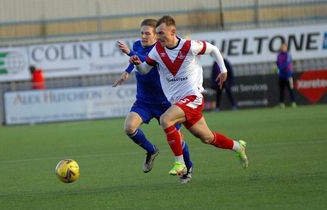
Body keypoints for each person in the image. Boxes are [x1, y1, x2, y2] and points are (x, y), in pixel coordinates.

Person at [131, 15, 248, 176]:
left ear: (173, 32)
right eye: (157, 33)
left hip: (193, 97)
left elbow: (213, 49)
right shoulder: (157, 51)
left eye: (161, 33)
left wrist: (223, 70)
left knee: (166, 119)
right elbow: (144, 70)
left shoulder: (189, 46)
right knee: (207, 138)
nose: (158, 37)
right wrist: (137, 64)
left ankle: (180, 164)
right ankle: (237, 146)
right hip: (179, 102)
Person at [113, 19, 194, 183]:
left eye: (147, 33)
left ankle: (188, 167)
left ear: (156, 35)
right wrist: (127, 71)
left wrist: (130, 53)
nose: (143, 36)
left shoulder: (161, 49)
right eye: (142, 33)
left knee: (179, 138)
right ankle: (151, 150)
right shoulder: (137, 45)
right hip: (144, 100)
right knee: (129, 127)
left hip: (165, 102)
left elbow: (145, 58)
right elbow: (137, 59)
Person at [276, 43, 296, 108]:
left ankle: (293, 102)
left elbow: (287, 63)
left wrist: (279, 68)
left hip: (289, 75)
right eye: (282, 47)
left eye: (284, 47)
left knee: (291, 89)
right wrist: (276, 68)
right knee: (281, 90)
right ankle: (282, 103)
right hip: (281, 75)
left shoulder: (288, 54)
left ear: (286, 48)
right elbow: (277, 63)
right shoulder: (279, 55)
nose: (283, 48)